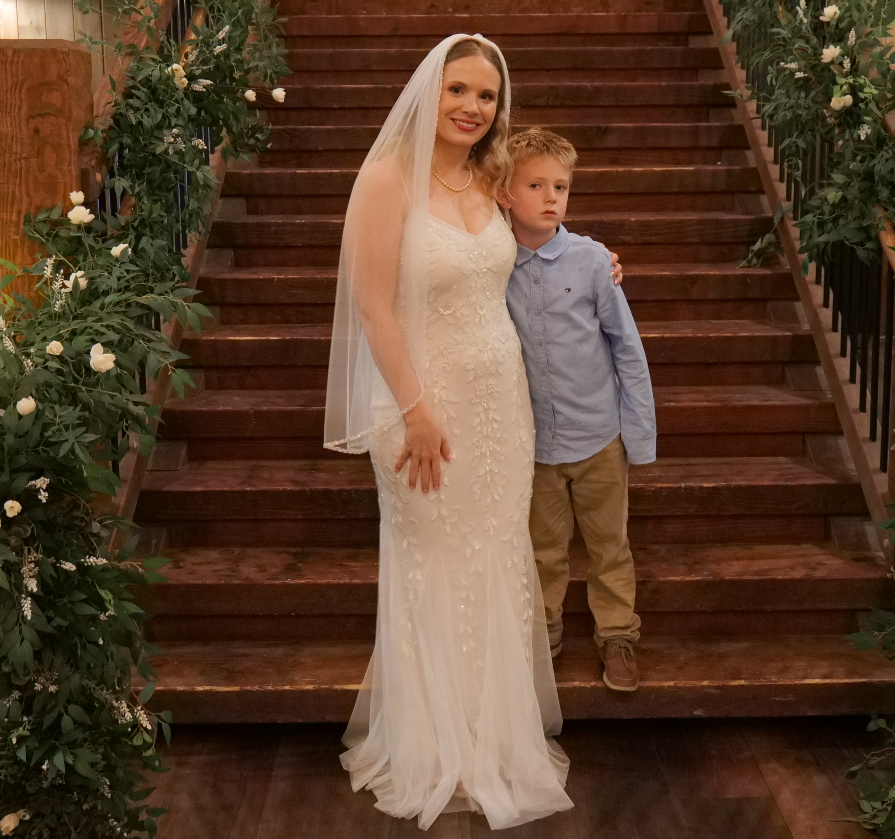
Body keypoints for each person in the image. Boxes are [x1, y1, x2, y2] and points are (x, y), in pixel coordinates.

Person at [323, 35, 575, 830]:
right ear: (430, 90)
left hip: (503, 400)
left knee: (498, 555)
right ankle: (436, 746)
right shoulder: (386, 177)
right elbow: (372, 306)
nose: (472, 107)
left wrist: (598, 265)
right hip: (420, 404)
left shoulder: (489, 177)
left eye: (488, 96)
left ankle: (492, 739)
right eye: (459, 90)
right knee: (432, 557)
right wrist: (415, 408)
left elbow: (538, 232)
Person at [498, 129, 657, 693]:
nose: (550, 197)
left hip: (598, 439)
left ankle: (618, 635)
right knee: (542, 552)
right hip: (534, 445)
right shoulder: (493, 263)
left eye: (560, 187)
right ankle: (544, 636)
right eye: (535, 184)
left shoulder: (592, 261)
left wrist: (638, 435)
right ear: (505, 193)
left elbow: (627, 348)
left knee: (609, 546)